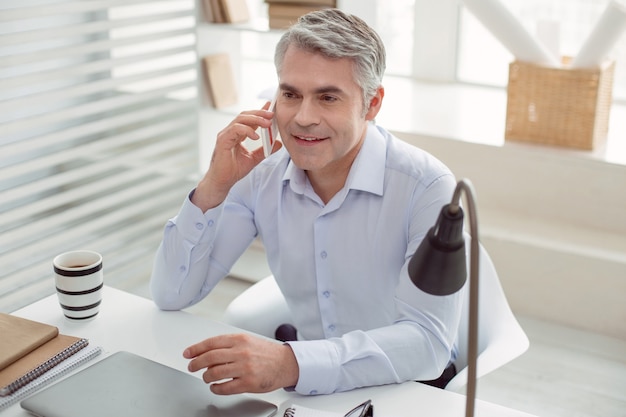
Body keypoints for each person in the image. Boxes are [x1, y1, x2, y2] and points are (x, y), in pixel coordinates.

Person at [150, 8, 463, 396]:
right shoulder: (259, 175)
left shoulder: (428, 187)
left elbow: (428, 344)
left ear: (372, 103)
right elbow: (171, 294)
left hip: (405, 385)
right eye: (290, 94)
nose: (302, 118)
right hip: (307, 382)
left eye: (328, 97)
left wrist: (291, 363)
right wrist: (213, 187)